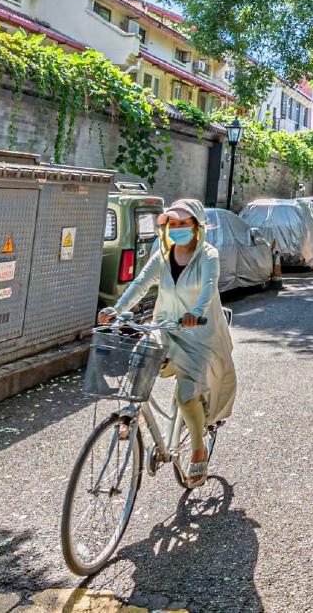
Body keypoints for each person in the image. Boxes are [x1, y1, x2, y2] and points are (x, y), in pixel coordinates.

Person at [97, 197, 237, 476]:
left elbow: (208, 287)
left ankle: (198, 448)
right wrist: (118, 308)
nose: (176, 228)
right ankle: (133, 410)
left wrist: (196, 312)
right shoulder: (162, 256)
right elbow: (141, 283)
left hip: (199, 335)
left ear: (196, 226)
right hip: (166, 328)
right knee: (141, 353)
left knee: (187, 397)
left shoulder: (208, 255)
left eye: (182, 223)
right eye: (171, 223)